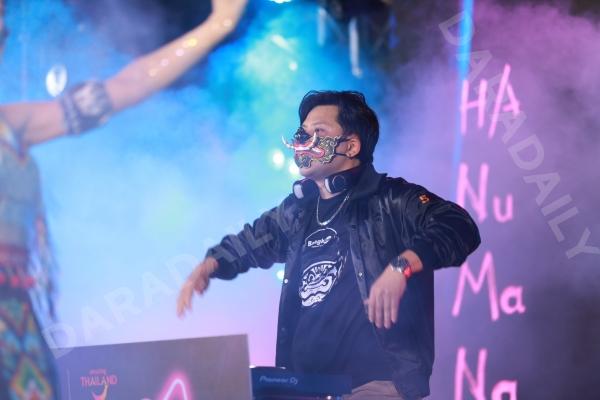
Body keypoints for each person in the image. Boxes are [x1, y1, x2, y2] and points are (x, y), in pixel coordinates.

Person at [0, 0, 247, 398]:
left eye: (4, 18)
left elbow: (129, 85)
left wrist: (219, 24)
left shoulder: (12, 124)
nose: (6, 28)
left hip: (15, 322)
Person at [177, 90, 481, 399]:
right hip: (303, 387)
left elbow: (458, 225)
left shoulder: (392, 198)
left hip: (373, 387)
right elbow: (252, 241)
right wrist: (210, 264)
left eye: (318, 132)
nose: (303, 140)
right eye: (302, 132)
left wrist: (400, 267)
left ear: (351, 146)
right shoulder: (298, 210)